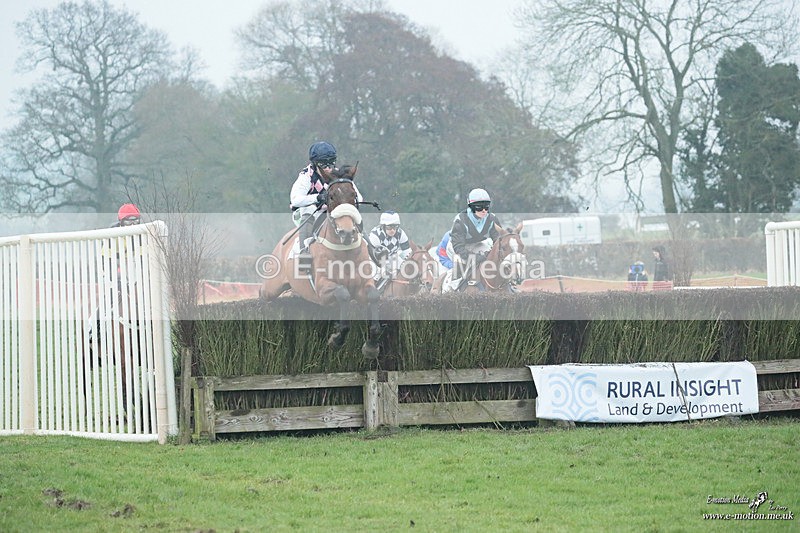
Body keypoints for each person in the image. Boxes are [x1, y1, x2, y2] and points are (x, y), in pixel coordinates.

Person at [289, 141, 363, 271]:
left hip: (330, 211)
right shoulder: (306, 176)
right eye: (324, 165)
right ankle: (304, 252)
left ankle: (372, 249)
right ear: (315, 163)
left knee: (350, 215)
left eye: (331, 163)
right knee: (308, 209)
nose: (329, 168)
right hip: (308, 213)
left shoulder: (339, 175)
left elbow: (360, 198)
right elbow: (295, 200)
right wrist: (317, 198)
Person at [445, 188, 503, 291]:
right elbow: (459, 248)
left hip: (477, 244)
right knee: (462, 263)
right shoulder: (460, 220)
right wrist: (475, 258)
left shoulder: (492, 218)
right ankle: (451, 287)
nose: (484, 210)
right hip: (456, 247)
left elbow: (498, 241)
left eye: (486, 206)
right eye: (479, 207)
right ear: (471, 206)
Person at [367, 211, 412, 287]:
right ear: (383, 226)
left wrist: (408, 262)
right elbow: (376, 257)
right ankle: (372, 290)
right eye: (389, 227)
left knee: (405, 269)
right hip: (375, 259)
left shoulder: (401, 233)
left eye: (395, 227)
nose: (392, 230)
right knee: (378, 273)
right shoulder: (375, 235)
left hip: (392, 256)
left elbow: (407, 251)